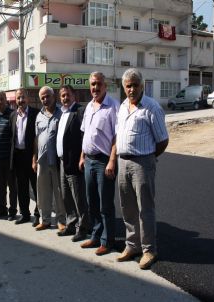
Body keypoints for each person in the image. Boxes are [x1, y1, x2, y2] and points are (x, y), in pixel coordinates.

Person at [115, 68, 169, 270]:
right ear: (124, 87)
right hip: (123, 162)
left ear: (142, 86)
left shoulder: (151, 107)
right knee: (127, 208)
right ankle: (132, 245)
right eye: (128, 86)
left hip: (142, 163)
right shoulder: (122, 107)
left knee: (145, 209)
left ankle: (149, 250)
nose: (131, 89)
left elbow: (163, 140)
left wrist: (149, 159)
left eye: (135, 85)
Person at [79, 71, 119, 256]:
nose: (95, 87)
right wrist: (82, 156)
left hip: (104, 162)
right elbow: (85, 134)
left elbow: (117, 137)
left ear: (105, 86)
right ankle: (95, 236)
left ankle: (107, 240)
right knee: (92, 202)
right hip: (89, 160)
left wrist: (112, 160)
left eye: (98, 84)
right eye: (92, 84)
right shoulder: (89, 106)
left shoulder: (113, 107)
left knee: (105, 204)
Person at [56, 85, 90, 241]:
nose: (65, 98)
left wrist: (82, 157)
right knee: (66, 196)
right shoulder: (62, 113)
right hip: (62, 162)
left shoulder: (79, 111)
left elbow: (85, 136)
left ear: (74, 95)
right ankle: (71, 224)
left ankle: (83, 228)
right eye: (62, 95)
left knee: (78, 197)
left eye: (67, 95)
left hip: (75, 161)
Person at [32, 86, 66, 231]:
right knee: (43, 192)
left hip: (58, 160)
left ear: (54, 97)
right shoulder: (39, 116)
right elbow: (36, 139)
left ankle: (61, 220)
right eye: (43, 98)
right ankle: (45, 220)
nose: (45, 100)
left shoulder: (62, 113)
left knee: (59, 192)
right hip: (42, 160)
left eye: (48, 96)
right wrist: (34, 159)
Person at [9, 88, 40, 226]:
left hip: (31, 156)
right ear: (15, 100)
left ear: (27, 98)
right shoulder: (13, 115)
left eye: (22, 98)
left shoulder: (35, 114)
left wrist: (35, 157)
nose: (20, 101)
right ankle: (25, 214)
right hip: (18, 157)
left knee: (36, 187)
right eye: (18, 98)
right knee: (21, 188)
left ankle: (38, 215)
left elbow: (38, 138)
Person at [0, 91, 17, 221]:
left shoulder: (13, 114)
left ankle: (12, 211)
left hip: (9, 158)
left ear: (6, 100)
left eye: (1, 99)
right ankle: (2, 209)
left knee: (12, 186)